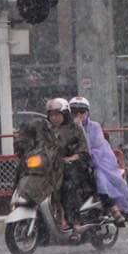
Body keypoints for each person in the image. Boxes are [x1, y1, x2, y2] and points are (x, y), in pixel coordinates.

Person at [69, 96, 128, 225]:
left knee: (106, 179)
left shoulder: (94, 127)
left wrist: (80, 133)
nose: (79, 115)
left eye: (82, 112)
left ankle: (125, 211)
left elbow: (94, 147)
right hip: (73, 163)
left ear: (87, 113)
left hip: (98, 162)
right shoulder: (67, 129)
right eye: (74, 112)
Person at [46, 97, 96, 237]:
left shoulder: (75, 128)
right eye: (51, 115)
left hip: (76, 166)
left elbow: (84, 152)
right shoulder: (47, 131)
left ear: (65, 114)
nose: (54, 118)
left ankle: (75, 224)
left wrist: (69, 159)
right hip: (55, 167)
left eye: (57, 114)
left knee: (67, 186)